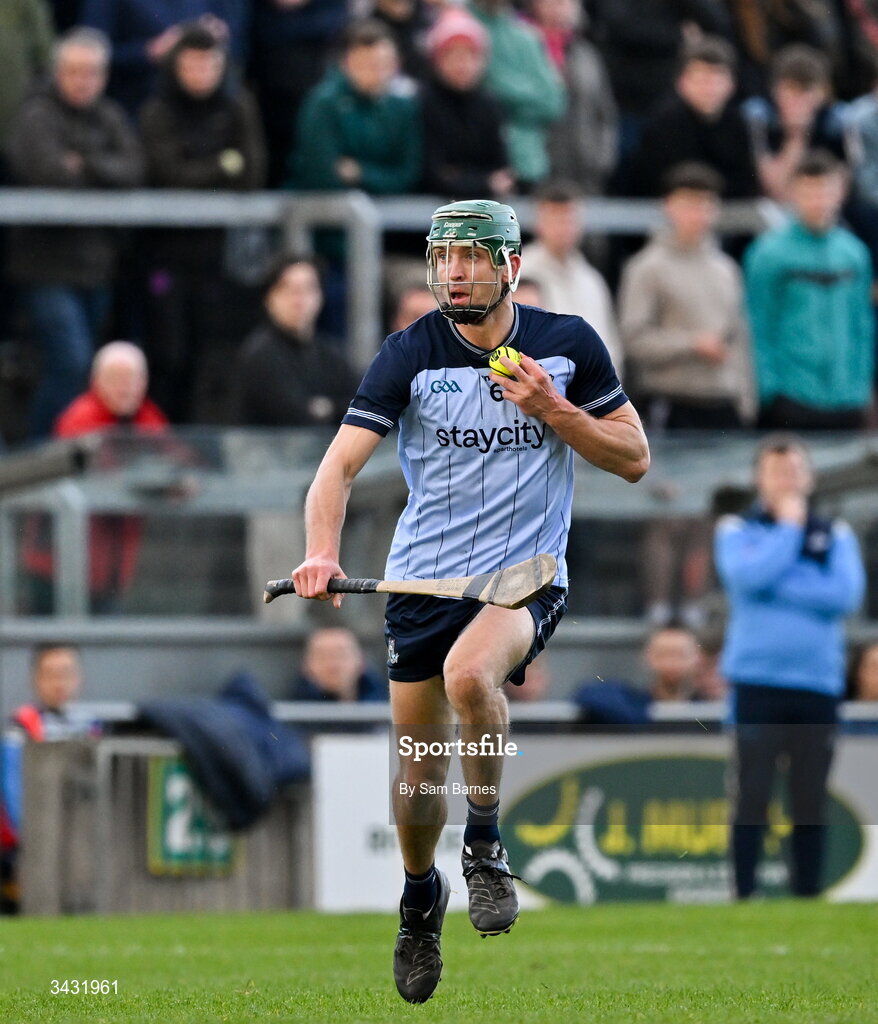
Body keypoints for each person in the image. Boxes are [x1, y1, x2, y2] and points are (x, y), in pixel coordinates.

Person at [291, 198, 649, 1002]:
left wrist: (553, 410)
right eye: (443, 258)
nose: (453, 273)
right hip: (423, 581)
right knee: (419, 777)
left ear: (510, 266)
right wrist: (321, 551)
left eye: (471, 257)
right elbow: (337, 468)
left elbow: (633, 457)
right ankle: (421, 901)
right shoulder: (408, 353)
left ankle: (484, 843)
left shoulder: (567, 346)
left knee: (469, 676)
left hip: (525, 577)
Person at [715, 434, 865, 899]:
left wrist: (777, 579)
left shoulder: (836, 533)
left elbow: (844, 596)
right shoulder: (735, 528)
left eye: (795, 470)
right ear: (758, 478)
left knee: (810, 797)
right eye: (777, 471)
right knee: (752, 794)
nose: (787, 479)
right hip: (756, 682)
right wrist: (788, 531)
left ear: (811, 477)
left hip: (817, 684)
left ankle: (807, 895)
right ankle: (744, 894)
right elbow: (746, 578)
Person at [4, 27, 145, 439]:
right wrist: (101, 168)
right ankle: (40, 455)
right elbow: (49, 172)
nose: (83, 81)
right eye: (74, 71)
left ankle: (67, 454)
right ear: (57, 71)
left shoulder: (110, 115)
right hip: (44, 267)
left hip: (97, 265)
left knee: (82, 370)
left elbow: (134, 169)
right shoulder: (36, 115)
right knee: (70, 362)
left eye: (92, 72)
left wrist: (83, 162)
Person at [140, 21, 267, 424]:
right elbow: (169, 175)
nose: (201, 74)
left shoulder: (237, 106)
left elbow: (252, 173)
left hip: (222, 259)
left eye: (209, 65)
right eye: (192, 65)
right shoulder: (157, 110)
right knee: (169, 355)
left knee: (215, 358)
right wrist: (222, 165)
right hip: (167, 255)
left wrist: (203, 170)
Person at [20, 342, 169, 615]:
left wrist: (172, 479)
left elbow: (178, 459)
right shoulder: (81, 417)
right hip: (58, 563)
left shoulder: (148, 418)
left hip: (112, 567)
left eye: (133, 379)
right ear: (96, 381)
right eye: (116, 379)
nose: (126, 388)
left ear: (144, 383)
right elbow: (95, 470)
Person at [744, 150, 874, 429]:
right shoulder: (768, 254)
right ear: (793, 194)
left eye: (825, 191)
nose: (818, 201)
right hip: (790, 394)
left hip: (848, 396)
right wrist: (769, 390)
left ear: (841, 192)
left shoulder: (855, 254)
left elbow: (862, 325)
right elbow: (758, 322)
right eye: (809, 192)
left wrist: (861, 385)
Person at [619, 162, 753, 430]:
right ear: (668, 206)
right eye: (689, 204)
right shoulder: (647, 267)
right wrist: (692, 344)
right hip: (671, 401)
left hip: (724, 403)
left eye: (706, 204)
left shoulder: (726, 269)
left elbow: (740, 340)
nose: (698, 214)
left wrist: (746, 402)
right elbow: (634, 340)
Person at [286, 19, 422, 196]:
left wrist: (360, 172)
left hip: (390, 207)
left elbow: (408, 175)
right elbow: (323, 175)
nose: (377, 73)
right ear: (346, 64)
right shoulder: (324, 102)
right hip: (321, 205)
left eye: (384, 64)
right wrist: (382, 178)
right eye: (367, 64)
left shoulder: (403, 106)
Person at [615, 36, 758, 200]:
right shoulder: (663, 125)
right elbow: (649, 182)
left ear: (732, 85)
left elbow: (745, 182)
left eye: (716, 80)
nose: (708, 89)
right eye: (701, 80)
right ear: (682, 82)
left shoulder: (737, 125)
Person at [236, 255, 360, 427]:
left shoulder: (328, 352)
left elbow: (362, 405)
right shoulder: (260, 353)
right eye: (289, 289)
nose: (299, 300)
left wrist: (325, 407)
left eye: (308, 289)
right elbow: (296, 416)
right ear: (269, 297)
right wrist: (332, 408)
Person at [79, 0, 248, 117]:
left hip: (207, 107)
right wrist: (148, 51)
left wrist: (217, 35)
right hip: (139, 103)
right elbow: (91, 51)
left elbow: (234, 36)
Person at [521, 180, 622, 368]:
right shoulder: (519, 273)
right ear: (538, 223)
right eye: (555, 219)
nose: (563, 228)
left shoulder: (591, 279)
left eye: (569, 219)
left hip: (594, 383)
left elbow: (611, 347)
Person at [469, 0, 566, 190]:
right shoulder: (462, 27)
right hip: (473, 170)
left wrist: (502, 90)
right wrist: (529, 93)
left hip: (527, 166)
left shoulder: (526, 37)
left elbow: (552, 103)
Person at [419, 7, 515, 199]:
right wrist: (484, 182)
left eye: (470, 55)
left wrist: (460, 178)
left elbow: (502, 172)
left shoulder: (489, 104)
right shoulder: (424, 103)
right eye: (453, 55)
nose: (462, 65)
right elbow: (433, 174)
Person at [524, 0, 618, 195]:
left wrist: (602, 157)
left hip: (585, 168)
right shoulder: (522, 47)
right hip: (537, 166)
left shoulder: (587, 54)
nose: (559, 6)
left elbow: (605, 111)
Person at [742, 45, 845, 204]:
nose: (798, 100)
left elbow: (838, 189)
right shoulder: (760, 116)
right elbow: (772, 186)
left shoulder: (834, 121)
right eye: (791, 89)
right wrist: (796, 136)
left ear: (822, 93)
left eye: (806, 90)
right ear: (775, 90)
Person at [575, 624, 701, 724]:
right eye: (662, 655)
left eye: (680, 655)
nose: (671, 663)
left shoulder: (707, 708)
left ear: (697, 658)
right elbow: (588, 694)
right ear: (647, 657)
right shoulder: (630, 703)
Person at [10, 644, 95, 741]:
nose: (59, 684)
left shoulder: (92, 722)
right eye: (50, 675)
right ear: (35, 679)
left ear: (79, 677)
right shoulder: (23, 722)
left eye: (66, 674)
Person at [292, 627, 386, 702]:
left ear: (361, 662)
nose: (333, 664)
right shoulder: (288, 714)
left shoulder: (388, 711)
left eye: (341, 655)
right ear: (306, 667)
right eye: (323, 657)